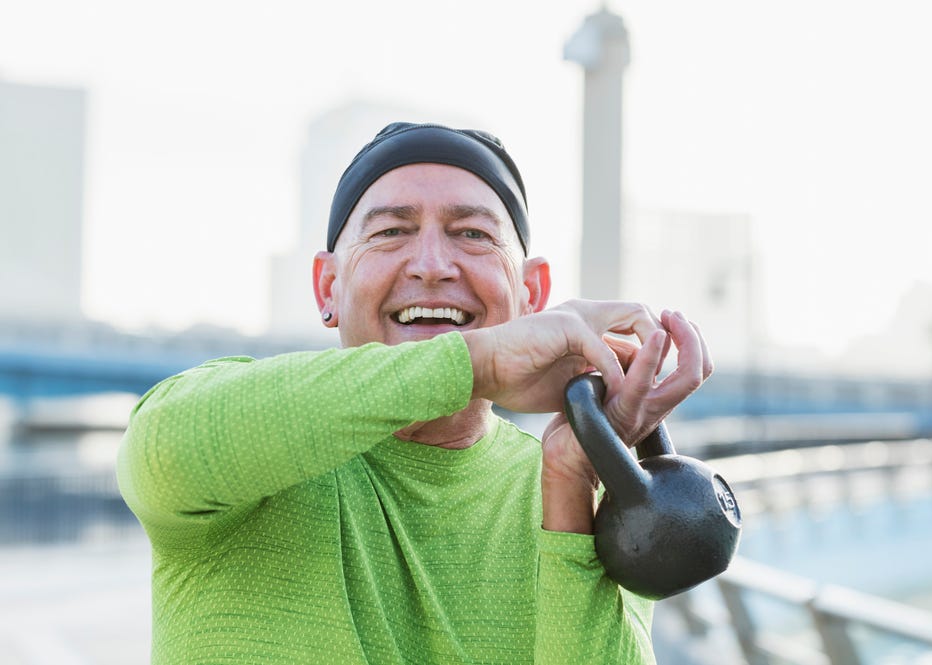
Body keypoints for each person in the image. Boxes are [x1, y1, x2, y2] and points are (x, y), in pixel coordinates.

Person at [117, 122, 712, 664]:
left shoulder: (585, 493)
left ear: (532, 294)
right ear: (327, 287)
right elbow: (161, 449)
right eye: (392, 231)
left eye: (472, 233)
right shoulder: (251, 442)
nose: (431, 264)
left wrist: (569, 485)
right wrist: (479, 360)